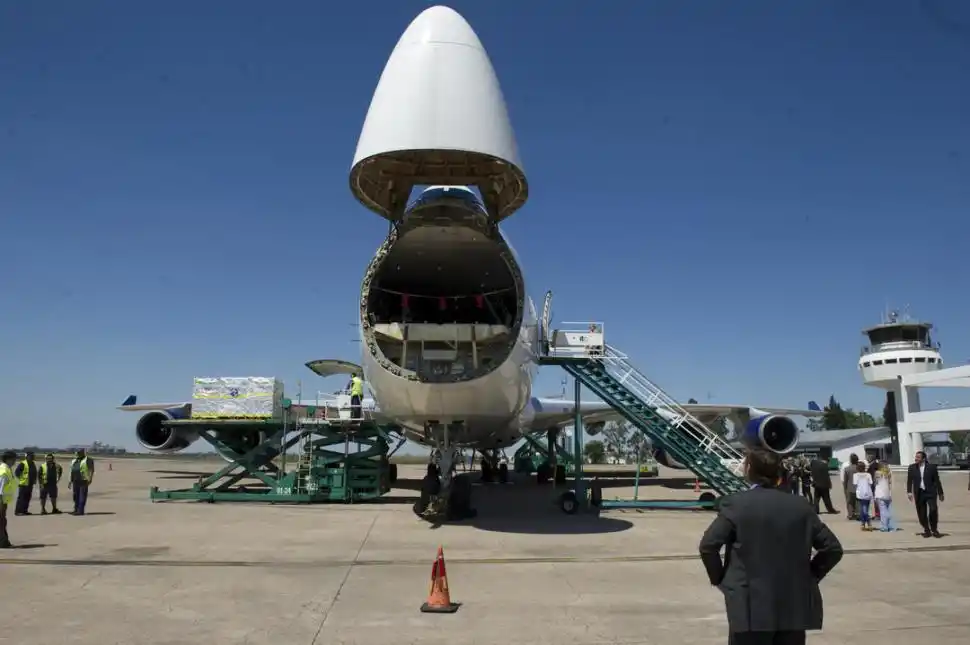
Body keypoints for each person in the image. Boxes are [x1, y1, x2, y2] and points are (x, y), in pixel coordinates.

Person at [698, 448, 844, 645]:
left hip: (750, 608)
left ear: (749, 470)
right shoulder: (800, 505)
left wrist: (721, 580)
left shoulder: (737, 504)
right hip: (793, 608)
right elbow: (832, 549)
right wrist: (811, 576)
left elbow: (708, 546)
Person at [906, 450, 943, 538]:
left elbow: (937, 481)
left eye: (918, 457)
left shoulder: (932, 467)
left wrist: (941, 493)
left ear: (923, 458)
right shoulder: (912, 467)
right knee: (921, 513)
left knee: (933, 510)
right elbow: (909, 481)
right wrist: (909, 492)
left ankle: (934, 529)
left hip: (930, 492)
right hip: (919, 493)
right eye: (916, 457)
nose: (916, 459)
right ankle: (927, 530)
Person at [0, 450, 18, 548]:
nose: (15, 461)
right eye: (13, 459)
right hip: (1, 500)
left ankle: (4, 541)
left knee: (3, 520)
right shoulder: (3, 471)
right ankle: (2, 542)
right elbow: (0, 489)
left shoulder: (6, 469)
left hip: (4, 500)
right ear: (8, 459)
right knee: (1, 521)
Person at [69, 449, 94, 515]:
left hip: (83, 480)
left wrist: (90, 478)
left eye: (79, 453)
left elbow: (91, 469)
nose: (78, 454)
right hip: (75, 480)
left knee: (82, 496)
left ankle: (80, 511)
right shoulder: (74, 460)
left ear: (83, 453)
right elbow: (72, 470)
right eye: (77, 453)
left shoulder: (88, 460)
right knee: (75, 496)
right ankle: (76, 509)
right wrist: (70, 481)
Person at [873, 463, 897, 532]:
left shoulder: (877, 473)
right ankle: (890, 526)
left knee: (883, 512)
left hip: (880, 494)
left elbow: (875, 482)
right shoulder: (889, 474)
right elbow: (890, 484)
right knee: (888, 511)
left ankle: (884, 527)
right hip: (887, 494)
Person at [14, 451, 37, 516]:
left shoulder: (33, 463)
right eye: (31, 456)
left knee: (27, 498)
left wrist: (34, 480)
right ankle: (18, 511)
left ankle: (24, 511)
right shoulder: (22, 464)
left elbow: (34, 472)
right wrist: (21, 478)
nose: (32, 457)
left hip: (30, 484)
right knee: (21, 498)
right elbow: (17, 473)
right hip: (23, 484)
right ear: (27, 457)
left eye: (33, 456)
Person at [853, 462, 874, 531]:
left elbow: (855, 485)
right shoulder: (867, 475)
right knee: (863, 510)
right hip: (865, 493)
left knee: (864, 510)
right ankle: (865, 523)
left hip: (862, 494)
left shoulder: (857, 475)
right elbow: (870, 484)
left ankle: (865, 523)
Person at [841, 453, 860, 520]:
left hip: (849, 488)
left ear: (851, 460)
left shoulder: (847, 469)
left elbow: (845, 480)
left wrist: (845, 488)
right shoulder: (860, 468)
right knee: (858, 501)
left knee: (849, 502)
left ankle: (850, 515)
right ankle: (858, 514)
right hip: (858, 487)